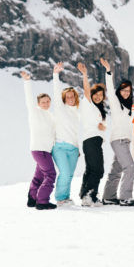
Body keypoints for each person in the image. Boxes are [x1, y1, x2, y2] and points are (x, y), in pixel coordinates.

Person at [100, 58, 134, 206]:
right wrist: (108, 72)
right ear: (119, 91)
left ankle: (108, 196)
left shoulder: (130, 108)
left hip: (125, 141)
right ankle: (125, 197)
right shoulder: (116, 104)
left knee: (117, 169)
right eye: (123, 90)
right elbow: (110, 90)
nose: (126, 93)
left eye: (128, 91)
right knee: (130, 167)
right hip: (118, 140)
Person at [21, 70, 57, 210]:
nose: (46, 104)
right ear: (38, 103)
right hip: (39, 149)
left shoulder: (50, 116)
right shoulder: (34, 112)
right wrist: (27, 81)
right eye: (43, 102)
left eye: (48, 101)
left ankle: (32, 198)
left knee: (39, 176)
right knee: (51, 174)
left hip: (46, 150)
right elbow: (29, 98)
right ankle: (42, 201)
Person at [76, 62, 108, 207]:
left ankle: (86, 195)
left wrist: (102, 126)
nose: (98, 97)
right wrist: (85, 74)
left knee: (90, 169)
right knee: (98, 170)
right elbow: (86, 91)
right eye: (96, 94)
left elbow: (101, 127)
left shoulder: (99, 110)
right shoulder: (88, 104)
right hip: (91, 141)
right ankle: (89, 195)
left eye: (101, 95)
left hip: (93, 141)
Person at [51, 62, 82, 206]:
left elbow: (75, 132)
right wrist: (55, 74)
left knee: (69, 174)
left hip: (74, 149)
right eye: (68, 97)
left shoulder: (77, 113)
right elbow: (56, 92)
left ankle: (66, 197)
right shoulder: (60, 108)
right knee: (64, 173)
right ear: (64, 99)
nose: (70, 99)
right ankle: (60, 198)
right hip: (60, 147)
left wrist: (78, 147)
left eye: (72, 97)